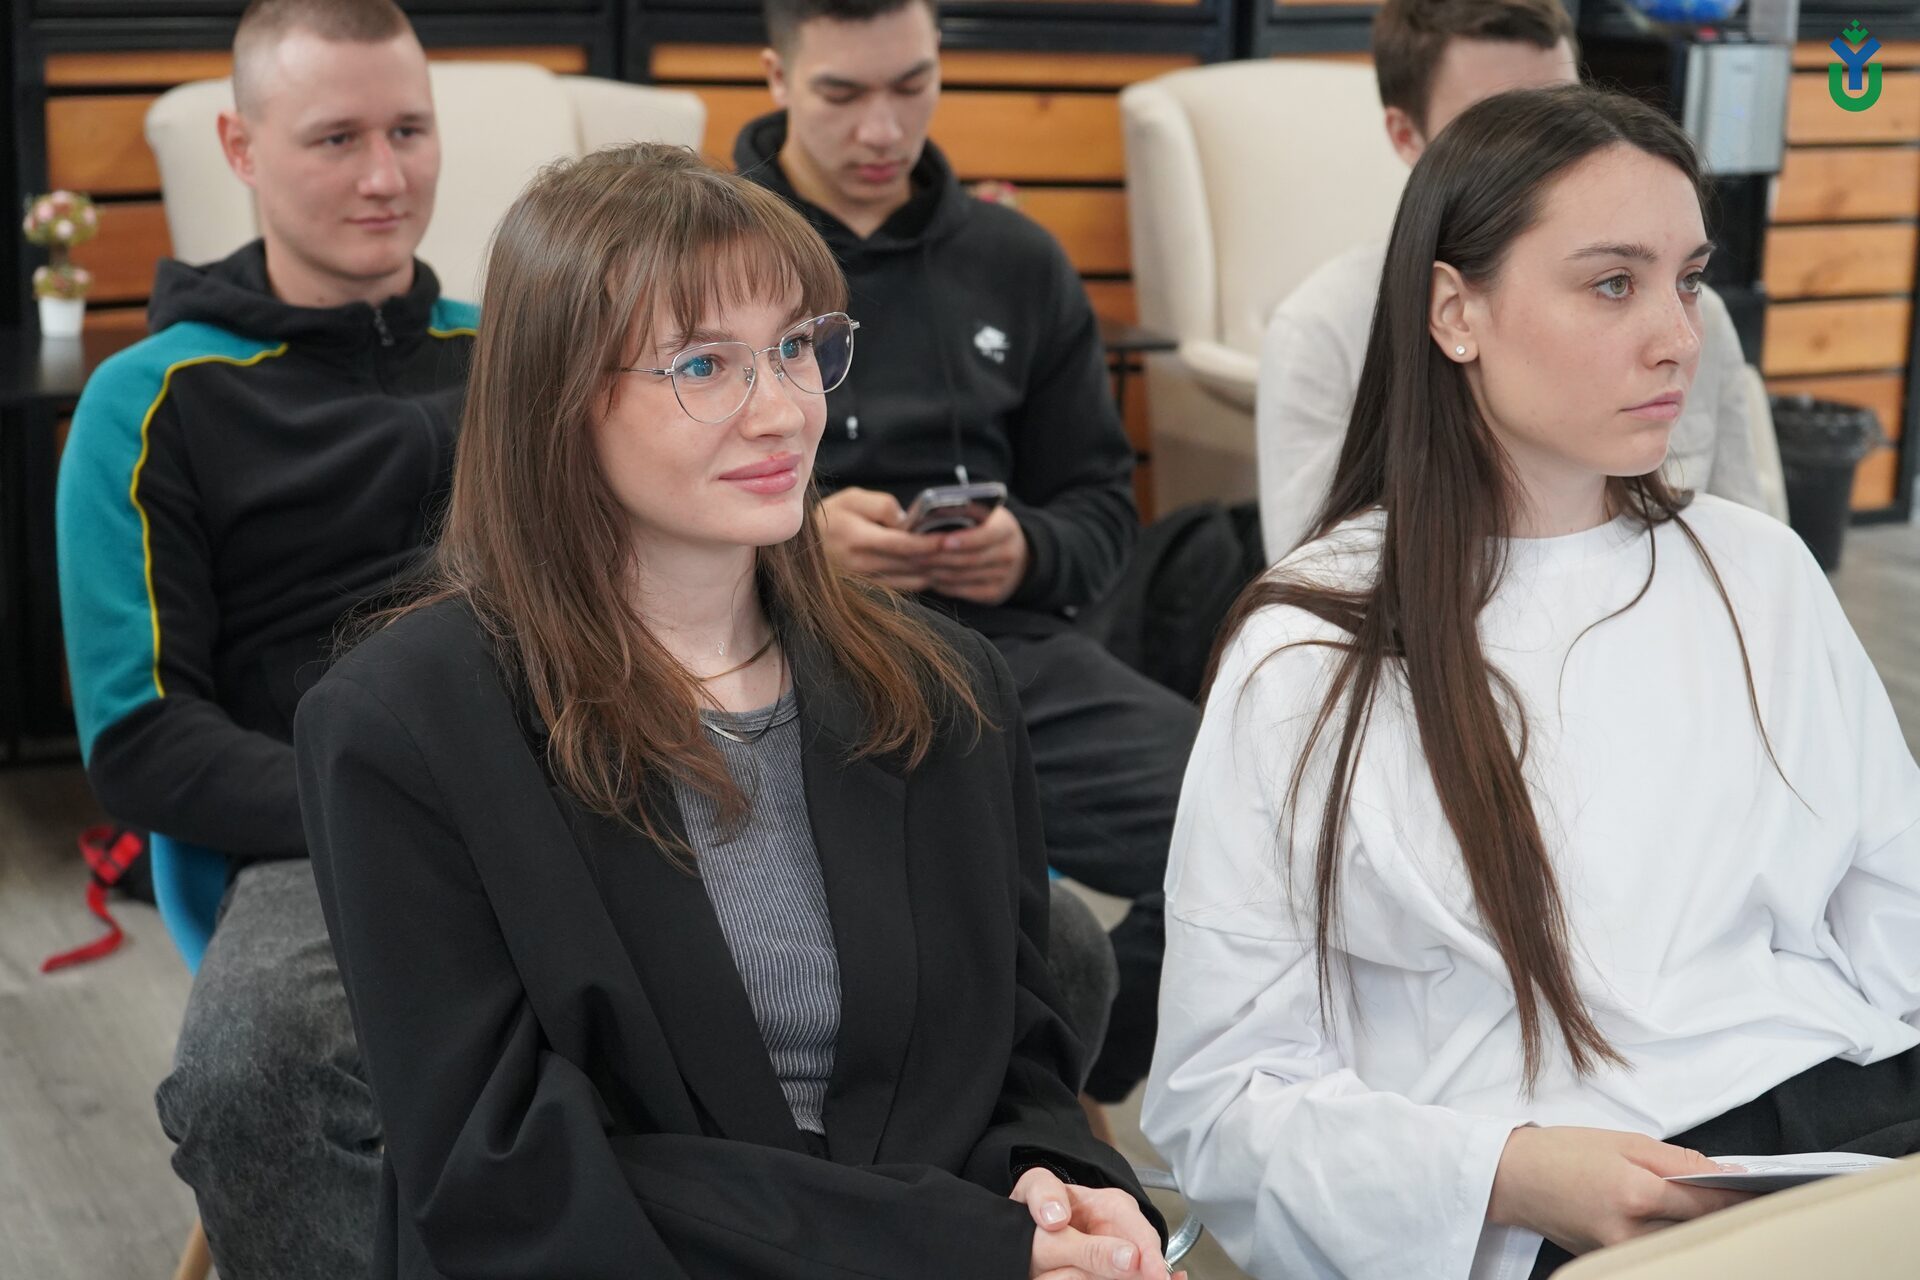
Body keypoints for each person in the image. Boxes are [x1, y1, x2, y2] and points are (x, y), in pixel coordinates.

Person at [294, 141, 1177, 1280]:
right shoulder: (403, 725)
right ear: (557, 399)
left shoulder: (946, 687)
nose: (782, 412)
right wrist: (961, 1246)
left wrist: (1061, 1185)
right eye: (705, 365)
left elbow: (1019, 1060)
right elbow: (505, 1177)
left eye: (797, 347)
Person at [1144, 85, 1920, 1280]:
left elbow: (1896, 917)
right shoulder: (1313, 647)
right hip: (1555, 1205)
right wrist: (1509, 1170)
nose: (1677, 337)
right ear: (1456, 311)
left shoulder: (1758, 570)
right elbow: (1220, 1099)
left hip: (1848, 1127)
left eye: (1688, 281)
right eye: (1612, 284)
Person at [53, 2, 465, 1275]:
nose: (385, 176)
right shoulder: (147, 400)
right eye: (337, 138)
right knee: (251, 1077)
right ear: (241, 147)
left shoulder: (518, 351)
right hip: (320, 829)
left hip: (578, 784)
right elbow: (141, 739)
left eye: (409, 131)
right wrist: (387, 802)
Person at [740, 0, 1198, 1103]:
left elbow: (1100, 508)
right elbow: (621, 509)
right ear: (777, 79)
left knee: (1269, 824)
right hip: (769, 660)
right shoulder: (708, 257)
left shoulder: (1017, 261)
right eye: (843, 94)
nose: (883, 129)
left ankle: (1068, 1076)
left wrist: (1025, 549)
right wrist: (798, 543)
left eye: (913, 86)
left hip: (1005, 656)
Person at [1255, 0, 1780, 561]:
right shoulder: (1322, 332)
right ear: (1407, 135)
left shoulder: (1698, 322)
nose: (1547, 151)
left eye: (1564, 110)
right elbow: (1319, 572)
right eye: (1494, 122)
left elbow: (1750, 557)